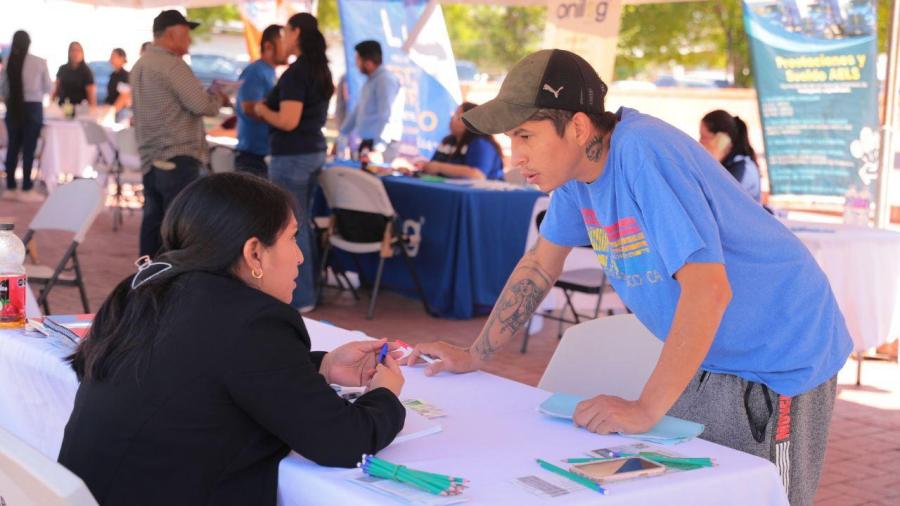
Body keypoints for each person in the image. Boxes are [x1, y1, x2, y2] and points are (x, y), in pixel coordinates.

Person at [407, 49, 851, 506]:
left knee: (761, 495)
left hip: (780, 354)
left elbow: (708, 289)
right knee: (694, 491)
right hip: (711, 353)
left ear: (579, 127)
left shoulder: (643, 152)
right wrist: (475, 355)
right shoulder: (575, 175)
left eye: (525, 135)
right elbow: (540, 265)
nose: (515, 156)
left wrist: (644, 408)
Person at [57, 173, 405, 506]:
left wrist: (324, 366)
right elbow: (342, 441)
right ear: (254, 253)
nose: (300, 257)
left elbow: (203, 369)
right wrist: (384, 394)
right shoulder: (251, 319)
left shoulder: (147, 287)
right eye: (292, 239)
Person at [131, 10, 228, 257]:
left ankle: (147, 281)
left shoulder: (141, 64)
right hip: (177, 157)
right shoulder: (173, 65)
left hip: (151, 157)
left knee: (153, 223)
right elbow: (202, 105)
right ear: (172, 34)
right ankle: (173, 286)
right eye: (186, 34)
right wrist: (218, 97)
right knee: (179, 228)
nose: (189, 41)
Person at [254, 13, 333, 313]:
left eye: (286, 31)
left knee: (289, 227)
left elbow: (288, 120)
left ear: (296, 32)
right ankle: (308, 292)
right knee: (301, 224)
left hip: (293, 155)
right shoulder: (318, 69)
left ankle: (299, 298)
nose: (283, 37)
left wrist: (263, 110)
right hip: (311, 151)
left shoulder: (297, 73)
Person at [0, 30, 51, 202]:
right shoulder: (39, 62)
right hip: (33, 108)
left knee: (12, 147)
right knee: (29, 148)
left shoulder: (8, 61)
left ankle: (11, 185)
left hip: (13, 107)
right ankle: (27, 186)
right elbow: (48, 88)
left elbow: (3, 89)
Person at [338, 40, 404, 163]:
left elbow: (386, 115)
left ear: (368, 63)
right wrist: (342, 135)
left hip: (382, 145)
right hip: (370, 143)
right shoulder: (371, 81)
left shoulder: (385, 80)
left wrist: (379, 148)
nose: (356, 64)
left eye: (358, 60)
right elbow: (358, 110)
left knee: (373, 181)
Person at [234, 24, 284, 177]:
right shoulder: (256, 71)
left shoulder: (270, 71)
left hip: (263, 152)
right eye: (283, 43)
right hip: (252, 153)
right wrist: (281, 117)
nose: (287, 47)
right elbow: (249, 107)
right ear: (268, 46)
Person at [417, 102, 504, 180]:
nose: (452, 120)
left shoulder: (481, 143)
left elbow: (477, 175)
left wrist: (439, 167)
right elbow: (433, 166)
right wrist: (426, 166)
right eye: (453, 116)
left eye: (457, 117)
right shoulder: (447, 141)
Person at [699, 110, 762, 202]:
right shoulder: (725, 165)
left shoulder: (741, 168)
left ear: (722, 139)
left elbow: (715, 199)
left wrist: (714, 159)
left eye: (704, 137)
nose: (700, 142)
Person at [52, 41, 95, 107]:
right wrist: (51, 104)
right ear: (69, 53)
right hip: (63, 106)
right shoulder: (62, 69)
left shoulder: (87, 71)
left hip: (80, 108)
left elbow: (91, 95)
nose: (75, 53)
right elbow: (55, 90)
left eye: (78, 50)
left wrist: (92, 110)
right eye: (73, 50)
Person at [106, 48, 131, 122]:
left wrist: (110, 114)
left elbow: (123, 97)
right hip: (111, 110)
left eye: (113, 57)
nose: (110, 60)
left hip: (121, 114)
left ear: (122, 58)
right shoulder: (112, 75)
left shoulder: (126, 76)